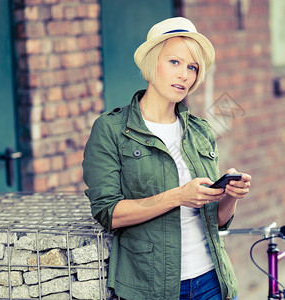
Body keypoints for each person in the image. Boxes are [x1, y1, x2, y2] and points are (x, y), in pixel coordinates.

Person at [83, 17, 252, 300]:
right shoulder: (110, 129)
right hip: (152, 289)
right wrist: (178, 196)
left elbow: (217, 221)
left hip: (212, 282)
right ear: (152, 64)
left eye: (192, 67)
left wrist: (231, 196)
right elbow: (108, 214)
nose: (184, 75)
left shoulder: (200, 130)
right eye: (174, 62)